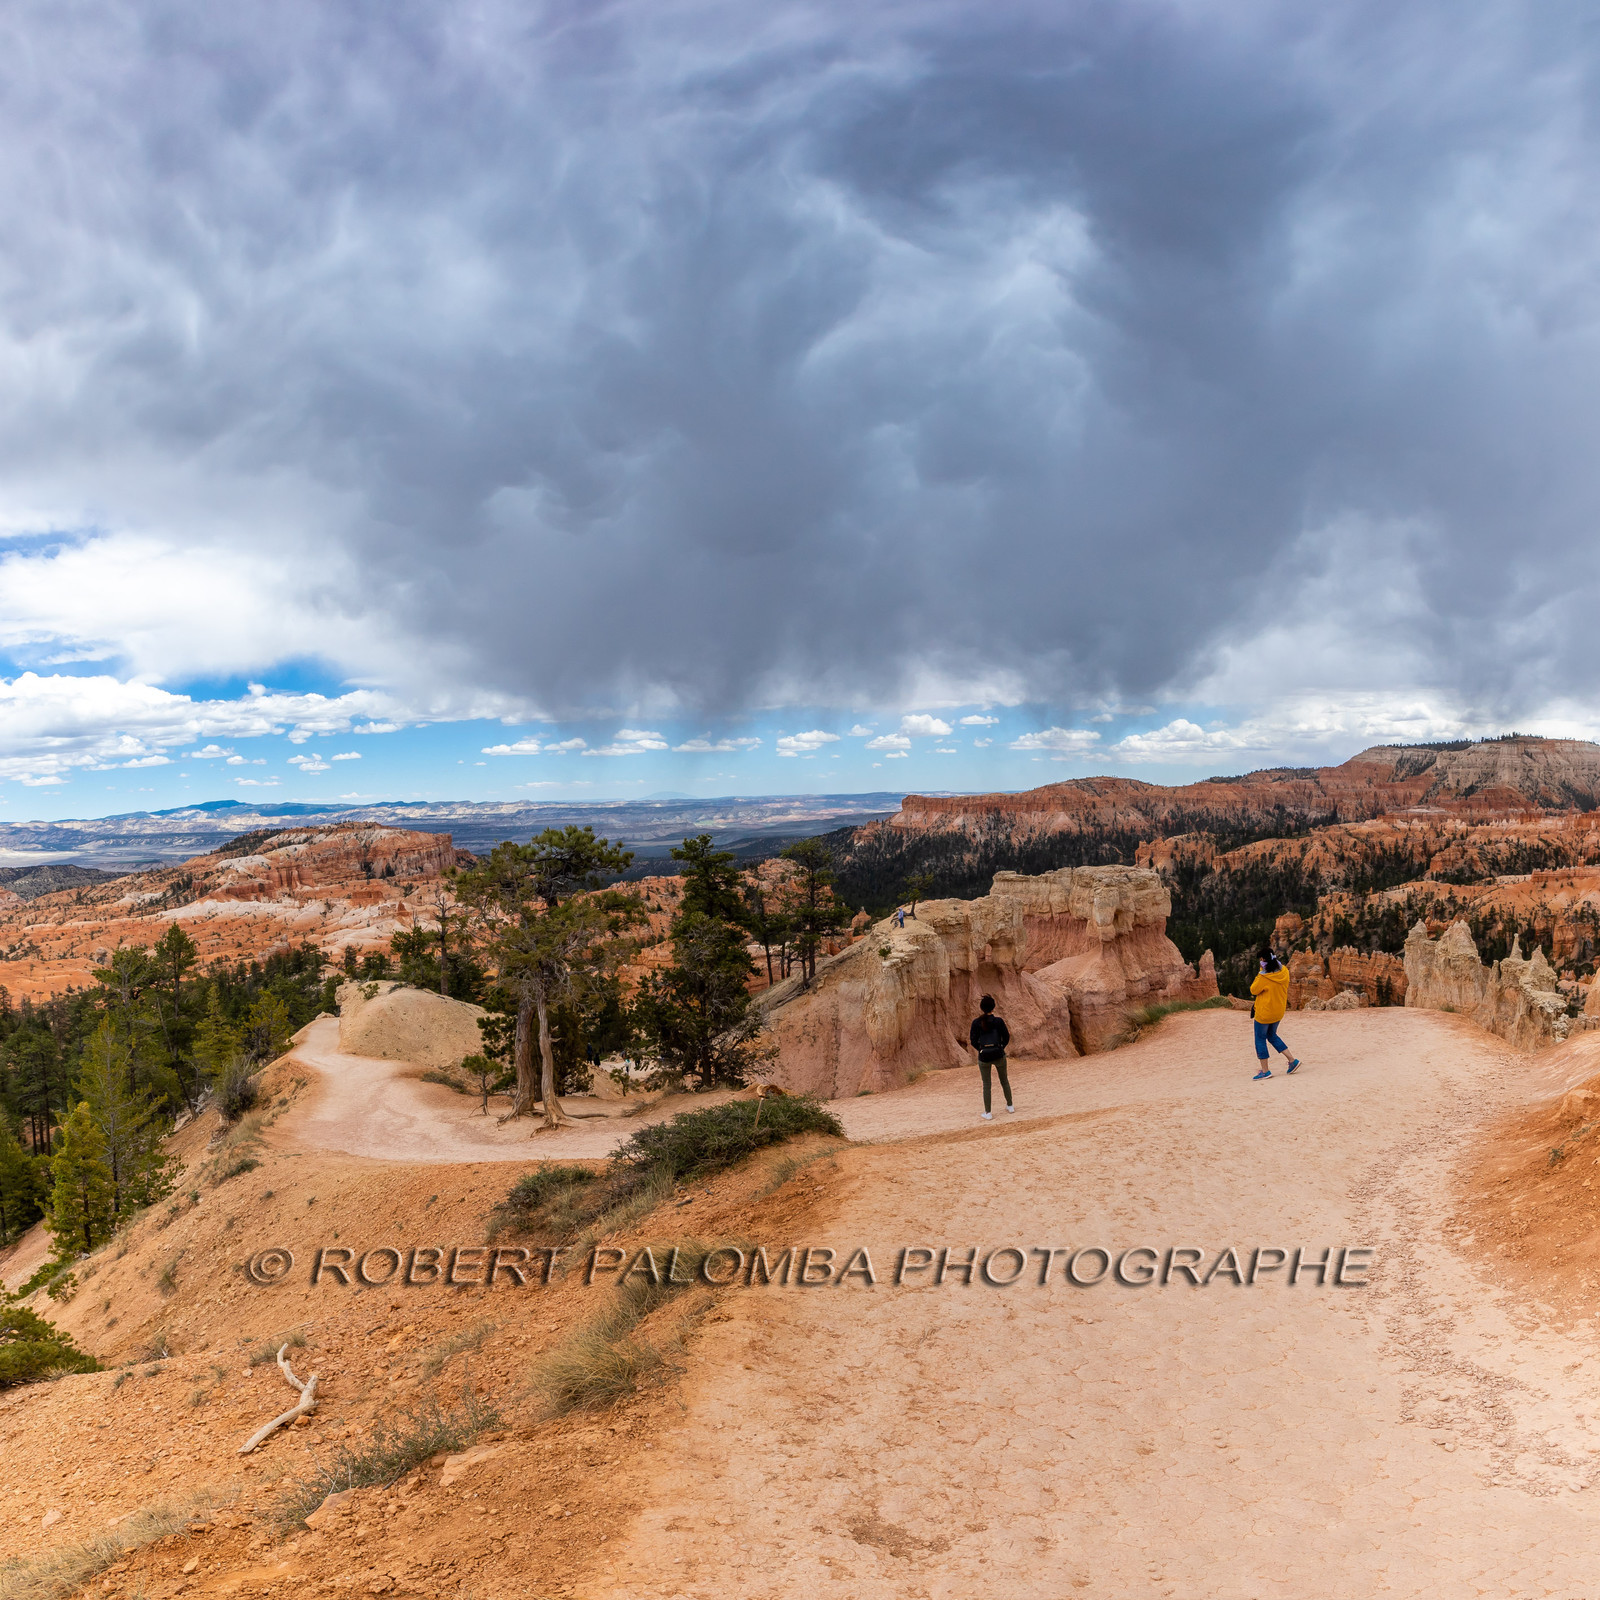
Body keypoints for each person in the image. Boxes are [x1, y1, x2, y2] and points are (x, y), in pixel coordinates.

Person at [1249, 947, 1301, 1080]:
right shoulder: (1284, 971)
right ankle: (1292, 1061)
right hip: (1278, 1011)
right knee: (1272, 1035)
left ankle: (1265, 1071)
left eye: (1261, 960)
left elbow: (1253, 990)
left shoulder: (1264, 977)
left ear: (1264, 960)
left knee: (1260, 1039)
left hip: (1264, 1013)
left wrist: (1261, 972)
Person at [969, 994, 1014, 1119]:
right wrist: (1000, 1048)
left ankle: (988, 1113)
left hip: (984, 1058)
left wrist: (981, 1049)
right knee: (1004, 1081)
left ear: (981, 1008)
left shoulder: (976, 1022)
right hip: (999, 1055)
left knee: (986, 1084)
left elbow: (973, 1040)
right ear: (993, 1007)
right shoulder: (998, 1021)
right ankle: (1010, 1106)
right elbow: (1006, 1037)